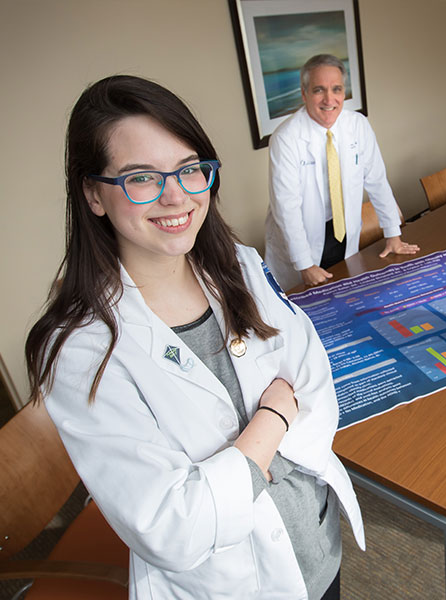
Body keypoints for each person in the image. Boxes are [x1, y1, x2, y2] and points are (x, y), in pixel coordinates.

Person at [25, 75, 364, 600]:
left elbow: (317, 384)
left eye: (188, 169)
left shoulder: (242, 267)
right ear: (93, 193)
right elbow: (175, 529)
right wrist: (273, 418)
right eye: (141, 178)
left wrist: (238, 468)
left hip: (318, 547)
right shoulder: (82, 347)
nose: (177, 196)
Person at [264, 54, 419, 290]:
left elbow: (377, 181)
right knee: (308, 305)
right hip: (300, 237)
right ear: (304, 94)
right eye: (319, 90)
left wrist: (393, 233)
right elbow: (287, 208)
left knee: (347, 291)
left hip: (343, 231)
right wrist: (304, 264)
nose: (329, 99)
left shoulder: (357, 125)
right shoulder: (286, 138)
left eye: (336, 89)